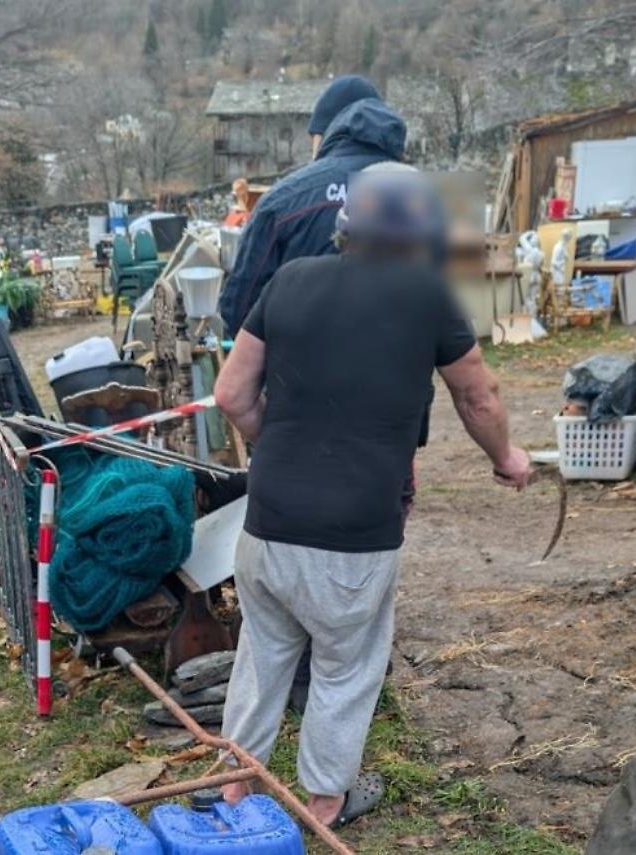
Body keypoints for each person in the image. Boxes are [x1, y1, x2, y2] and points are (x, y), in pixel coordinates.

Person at [213, 169, 532, 828]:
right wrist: (506, 458)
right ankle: (323, 802)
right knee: (344, 666)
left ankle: (236, 790)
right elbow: (477, 394)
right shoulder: (429, 297)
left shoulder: (290, 280)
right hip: (352, 537)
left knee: (263, 653)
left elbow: (231, 394)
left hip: (266, 526)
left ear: (345, 227)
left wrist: (273, 445)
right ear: (420, 234)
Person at [217, 75, 403, 338]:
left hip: (296, 372)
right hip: (398, 372)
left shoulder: (283, 200)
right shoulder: (420, 199)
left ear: (325, 133)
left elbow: (238, 309)